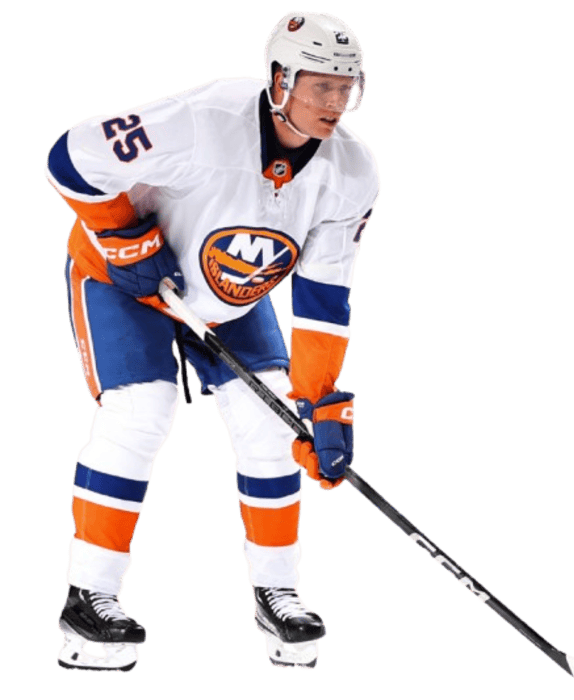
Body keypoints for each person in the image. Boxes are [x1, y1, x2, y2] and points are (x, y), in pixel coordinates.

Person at [44, 10, 380, 672]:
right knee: (141, 409)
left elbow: (323, 300)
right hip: (124, 281)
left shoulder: (353, 172)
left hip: (232, 298)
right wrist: (121, 235)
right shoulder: (207, 119)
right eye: (321, 85)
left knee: (273, 417)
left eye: (347, 87)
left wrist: (318, 404)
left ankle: (277, 592)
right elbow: (72, 157)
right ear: (280, 79)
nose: (336, 102)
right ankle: (89, 597)